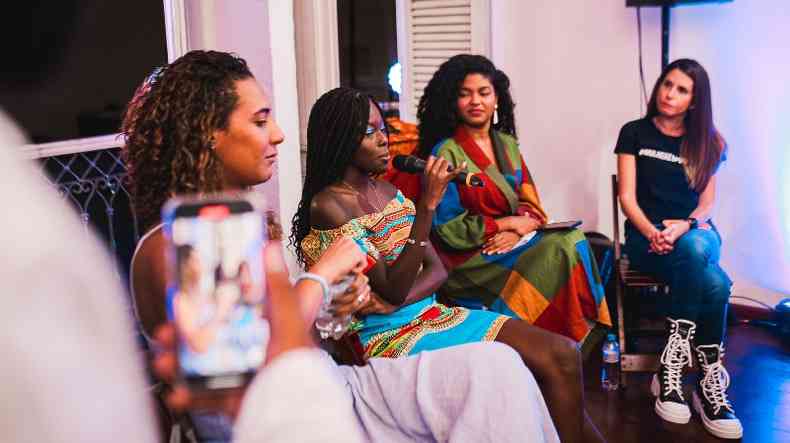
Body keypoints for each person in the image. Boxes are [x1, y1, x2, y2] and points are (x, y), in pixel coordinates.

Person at [124, 50, 560, 442]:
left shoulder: (231, 224)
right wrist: (321, 276)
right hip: (303, 419)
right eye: (259, 120)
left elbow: (291, 339)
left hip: (325, 384)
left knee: (498, 370)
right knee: (493, 379)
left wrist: (335, 306)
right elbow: (243, 393)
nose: (277, 134)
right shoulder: (189, 240)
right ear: (208, 134)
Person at [292, 86, 603, 443]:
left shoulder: (389, 193)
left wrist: (397, 298)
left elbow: (437, 271)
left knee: (562, 354)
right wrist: (427, 206)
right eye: (370, 132)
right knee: (547, 363)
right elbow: (393, 284)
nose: (385, 139)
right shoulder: (329, 205)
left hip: (436, 316)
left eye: (384, 128)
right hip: (389, 337)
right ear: (341, 137)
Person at [409, 54, 610, 347]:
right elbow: (447, 228)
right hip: (469, 259)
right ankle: (559, 342)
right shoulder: (446, 152)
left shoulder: (507, 144)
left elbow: (530, 202)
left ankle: (564, 341)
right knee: (562, 247)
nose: (475, 101)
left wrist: (517, 228)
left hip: (511, 243)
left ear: (497, 99)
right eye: (464, 94)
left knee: (573, 239)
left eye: (483, 93)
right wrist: (504, 224)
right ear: (453, 102)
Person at [615, 58, 742, 439]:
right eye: (667, 84)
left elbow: (705, 207)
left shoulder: (710, 141)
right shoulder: (634, 132)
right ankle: (707, 381)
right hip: (645, 239)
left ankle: (672, 367)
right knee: (716, 284)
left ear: (695, 100)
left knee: (695, 244)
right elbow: (627, 198)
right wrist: (653, 232)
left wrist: (683, 227)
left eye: (682, 89)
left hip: (693, 236)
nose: (670, 94)